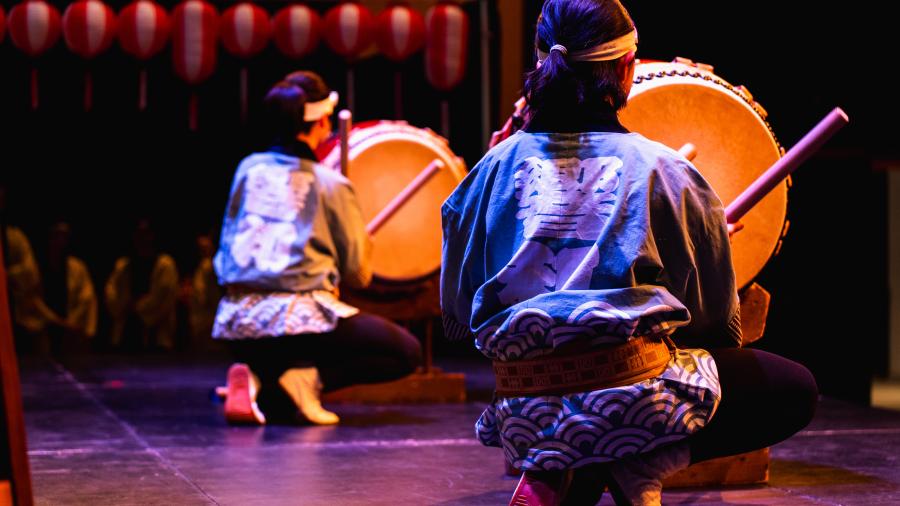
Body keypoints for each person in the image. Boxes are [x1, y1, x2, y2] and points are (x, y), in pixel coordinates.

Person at [440, 1, 818, 504]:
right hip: (634, 403)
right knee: (792, 389)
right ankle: (641, 460)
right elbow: (714, 328)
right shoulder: (666, 173)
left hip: (522, 410)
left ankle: (558, 466)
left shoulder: (487, 172)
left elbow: (459, 316)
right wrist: (703, 241)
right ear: (626, 69)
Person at [213, 71, 422, 426]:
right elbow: (358, 273)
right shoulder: (330, 184)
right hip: (300, 325)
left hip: (236, 321)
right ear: (323, 120)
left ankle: (256, 379)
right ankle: (302, 380)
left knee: (279, 359)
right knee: (405, 353)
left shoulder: (248, 169)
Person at [105, 219, 179, 351]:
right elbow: (111, 293)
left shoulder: (164, 265)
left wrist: (137, 307)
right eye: (138, 234)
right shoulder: (123, 266)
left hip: (156, 336)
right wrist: (123, 306)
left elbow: (163, 298)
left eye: (146, 234)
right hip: (125, 333)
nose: (142, 239)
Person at [36, 221, 98, 354]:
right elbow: (33, 299)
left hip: (72, 331)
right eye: (56, 236)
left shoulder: (77, 267)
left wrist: (71, 323)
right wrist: (55, 320)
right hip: (45, 328)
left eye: (64, 237)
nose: (60, 242)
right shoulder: (37, 268)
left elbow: (86, 298)